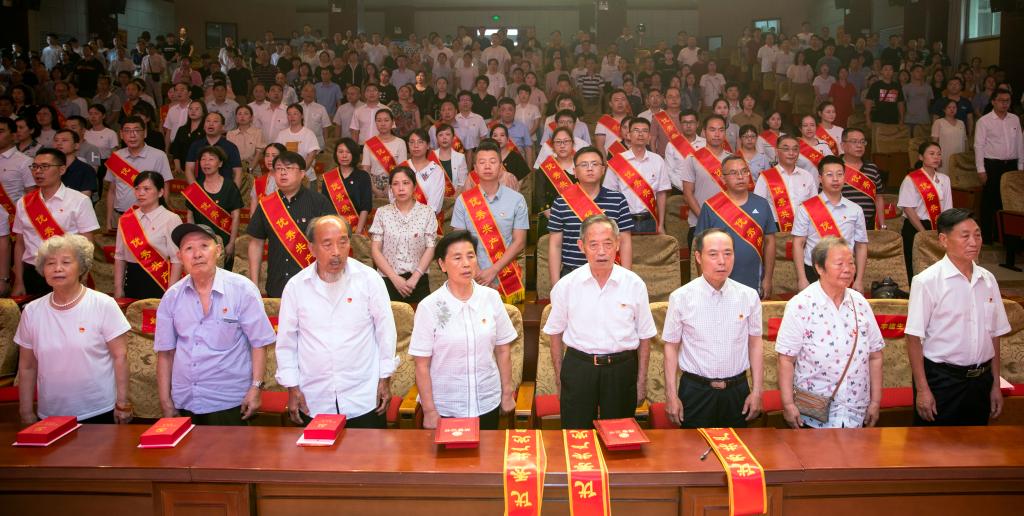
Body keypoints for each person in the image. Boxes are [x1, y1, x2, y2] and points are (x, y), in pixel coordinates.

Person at [276, 215, 397, 428]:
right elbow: (286, 343)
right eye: (327, 244)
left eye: (343, 242)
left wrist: (385, 378)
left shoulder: (369, 280)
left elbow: (386, 333)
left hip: (363, 396)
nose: (337, 252)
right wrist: (292, 387)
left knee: (370, 450)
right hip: (314, 398)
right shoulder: (296, 287)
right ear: (311, 248)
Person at [155, 223, 277, 425]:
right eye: (189, 248)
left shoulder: (242, 289)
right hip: (185, 399)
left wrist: (256, 387)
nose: (197, 254)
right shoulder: (171, 297)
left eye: (204, 246)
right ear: (179, 256)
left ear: (218, 250)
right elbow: (165, 353)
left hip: (228, 401)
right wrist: (165, 401)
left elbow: (259, 343)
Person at [544, 215, 655, 429]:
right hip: (579, 369)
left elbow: (645, 336)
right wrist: (560, 379)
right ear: (581, 246)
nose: (601, 251)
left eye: (608, 244)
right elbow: (555, 333)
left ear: (618, 244)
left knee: (619, 434)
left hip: (621, 370)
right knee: (577, 436)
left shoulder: (634, 284)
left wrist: (641, 381)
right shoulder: (566, 285)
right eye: (593, 245)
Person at [906, 208, 1010, 426]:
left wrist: (995, 385)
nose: (974, 242)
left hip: (981, 380)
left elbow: (994, 335)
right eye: (965, 236)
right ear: (943, 240)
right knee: (935, 444)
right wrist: (923, 389)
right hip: (943, 381)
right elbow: (914, 338)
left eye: (977, 235)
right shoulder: (927, 281)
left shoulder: (988, 280)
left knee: (976, 443)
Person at [16, 234, 132, 425]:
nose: (57, 268)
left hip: (99, 410)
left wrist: (122, 403)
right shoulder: (32, 311)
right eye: (50, 263)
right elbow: (27, 367)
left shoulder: (103, 304)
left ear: (81, 267)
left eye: (66, 262)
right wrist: (26, 411)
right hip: (50, 413)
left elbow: (121, 357)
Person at [410, 230, 517, 430]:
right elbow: (421, 365)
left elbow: (503, 350)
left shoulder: (491, 298)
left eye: (471, 256)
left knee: (487, 450)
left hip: (487, 401)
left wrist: (507, 392)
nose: (466, 264)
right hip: (446, 407)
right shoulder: (429, 307)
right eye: (457, 258)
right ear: (442, 264)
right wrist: (430, 411)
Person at [777, 236, 885, 428]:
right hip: (814, 415)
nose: (848, 269)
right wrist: (788, 404)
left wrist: (875, 402)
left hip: (855, 413)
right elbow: (786, 359)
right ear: (819, 268)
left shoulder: (860, 303)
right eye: (839, 264)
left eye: (851, 263)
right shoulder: (801, 305)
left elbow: (875, 355)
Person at [663, 228, 764, 428]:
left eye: (728, 253)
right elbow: (670, 347)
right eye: (713, 254)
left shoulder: (749, 296)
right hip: (695, 391)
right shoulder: (681, 297)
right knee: (693, 447)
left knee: (737, 446)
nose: (722, 261)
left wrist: (757, 391)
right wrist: (671, 395)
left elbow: (755, 344)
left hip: (737, 391)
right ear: (698, 257)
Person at [12, 149, 100, 297]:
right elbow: (20, 244)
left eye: (45, 166)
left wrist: (83, 277)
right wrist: (18, 281)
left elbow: (88, 243)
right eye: (35, 166)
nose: (38, 171)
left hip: (66, 272)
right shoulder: (24, 203)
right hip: (32, 273)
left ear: (62, 170)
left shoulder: (79, 200)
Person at [246, 151, 333, 297]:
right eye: (279, 169)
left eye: (289, 168)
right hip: (277, 284)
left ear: (302, 173)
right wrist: (254, 284)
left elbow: (332, 241)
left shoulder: (319, 202)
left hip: (313, 284)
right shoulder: (266, 205)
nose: (283, 173)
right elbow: (256, 244)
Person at [450, 140, 528, 302]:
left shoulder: (517, 200)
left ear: (500, 167)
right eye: (482, 162)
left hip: (506, 276)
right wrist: (478, 273)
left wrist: (493, 270)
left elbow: (519, 242)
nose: (487, 166)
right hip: (471, 276)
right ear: (475, 168)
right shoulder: (463, 201)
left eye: (492, 162)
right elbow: (459, 241)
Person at [547, 146, 633, 285]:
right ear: (575, 172)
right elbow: (555, 245)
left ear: (603, 169)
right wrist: (556, 285)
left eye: (595, 164)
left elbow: (624, 242)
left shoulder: (618, 200)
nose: (590, 168)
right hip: (572, 274)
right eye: (584, 165)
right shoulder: (561, 202)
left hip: (610, 274)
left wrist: (626, 280)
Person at [696, 155, 777, 296]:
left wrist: (768, 279)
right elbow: (700, 248)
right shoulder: (711, 207)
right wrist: (704, 284)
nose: (740, 177)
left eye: (744, 171)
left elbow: (770, 242)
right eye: (733, 173)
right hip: (718, 282)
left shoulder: (762, 204)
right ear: (723, 179)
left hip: (754, 279)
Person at [792, 155, 869, 291]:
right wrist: (802, 278)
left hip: (845, 271)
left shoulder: (855, 209)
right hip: (814, 271)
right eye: (829, 175)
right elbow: (798, 244)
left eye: (839, 174)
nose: (835, 179)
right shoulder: (806, 208)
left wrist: (859, 280)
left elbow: (861, 246)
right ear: (820, 178)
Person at [369, 166, 437, 303]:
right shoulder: (382, 212)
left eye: (406, 183)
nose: (401, 188)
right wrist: (394, 278)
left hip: (418, 280)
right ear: (390, 189)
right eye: (395, 184)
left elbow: (431, 248)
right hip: (387, 279)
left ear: (414, 186)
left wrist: (415, 277)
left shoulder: (427, 212)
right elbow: (375, 250)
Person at [114, 172, 182, 299]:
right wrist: (118, 288)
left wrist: (171, 293)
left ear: (160, 192)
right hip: (132, 281)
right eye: (137, 189)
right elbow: (120, 256)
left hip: (158, 283)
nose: (140, 193)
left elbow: (177, 260)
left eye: (146, 189)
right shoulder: (126, 219)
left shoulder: (171, 219)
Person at [104, 116, 174, 230]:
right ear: (121, 134)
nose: (132, 135)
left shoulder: (159, 156)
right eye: (127, 131)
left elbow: (165, 187)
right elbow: (112, 191)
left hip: (149, 217)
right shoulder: (116, 157)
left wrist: (162, 216)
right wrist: (108, 221)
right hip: (120, 216)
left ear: (145, 133)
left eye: (136, 130)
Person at [603, 117, 670, 234]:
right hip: (624, 219)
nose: (640, 134)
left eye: (645, 131)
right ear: (628, 135)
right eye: (636, 130)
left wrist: (661, 224)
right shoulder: (617, 161)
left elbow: (661, 194)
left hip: (650, 220)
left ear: (649, 136)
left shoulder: (658, 160)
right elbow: (609, 194)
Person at [899, 141, 953, 282]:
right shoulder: (911, 179)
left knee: (937, 265)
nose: (936, 157)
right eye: (932, 154)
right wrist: (922, 232)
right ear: (921, 157)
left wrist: (945, 231)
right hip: (915, 227)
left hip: (938, 228)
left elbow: (948, 208)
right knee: (915, 267)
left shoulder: (945, 179)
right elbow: (908, 208)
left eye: (939, 154)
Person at [973, 89, 1022, 246]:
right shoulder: (984, 121)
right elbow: (978, 146)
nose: (1004, 104)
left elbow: (1020, 143)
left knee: (1009, 202)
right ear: (993, 101)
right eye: (1001, 100)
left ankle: (1008, 238)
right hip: (992, 165)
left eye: (1007, 100)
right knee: (990, 201)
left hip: (1011, 164)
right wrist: (981, 170)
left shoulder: (1014, 119)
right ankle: (987, 236)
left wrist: (1021, 166)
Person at [185, 146, 243, 271]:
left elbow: (236, 216)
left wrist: (232, 243)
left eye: (211, 159)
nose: (206, 163)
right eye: (203, 159)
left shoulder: (230, 186)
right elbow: (190, 216)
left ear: (220, 163)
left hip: (224, 242)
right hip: (200, 244)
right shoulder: (195, 188)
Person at [678, 115, 730, 244]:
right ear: (704, 132)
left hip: (729, 222)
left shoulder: (732, 160)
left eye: (721, 130)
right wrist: (704, 218)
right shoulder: (692, 159)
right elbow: (687, 194)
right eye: (712, 130)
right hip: (699, 223)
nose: (717, 134)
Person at [754, 135, 818, 233]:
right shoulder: (766, 177)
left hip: (804, 227)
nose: (791, 153)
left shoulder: (807, 176)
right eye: (786, 149)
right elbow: (758, 205)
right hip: (775, 228)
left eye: (795, 149)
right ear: (776, 151)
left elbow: (814, 205)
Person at [321, 138, 372, 235]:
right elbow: (324, 207)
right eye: (340, 152)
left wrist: (358, 231)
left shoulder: (363, 176)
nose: (344, 155)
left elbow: (366, 206)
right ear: (336, 154)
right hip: (333, 228)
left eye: (348, 152)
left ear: (354, 154)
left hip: (356, 228)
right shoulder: (328, 177)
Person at [840, 128, 885, 229]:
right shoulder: (834, 166)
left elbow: (879, 197)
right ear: (842, 145)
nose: (859, 145)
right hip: (841, 226)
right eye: (854, 141)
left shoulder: (872, 168)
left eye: (862, 142)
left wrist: (882, 225)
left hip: (868, 226)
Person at [185, 112, 243, 186]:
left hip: (225, 189)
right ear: (203, 126)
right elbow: (189, 169)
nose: (211, 124)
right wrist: (196, 190)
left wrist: (233, 191)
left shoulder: (231, 147)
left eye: (215, 121)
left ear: (222, 127)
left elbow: (238, 173)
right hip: (201, 189)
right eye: (208, 121)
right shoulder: (195, 145)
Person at [360, 108, 407, 197]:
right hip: (372, 185)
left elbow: (402, 169)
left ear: (392, 122)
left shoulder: (400, 143)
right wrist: (374, 189)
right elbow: (366, 170)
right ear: (375, 123)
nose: (382, 124)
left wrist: (390, 186)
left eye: (386, 120)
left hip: (395, 184)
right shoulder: (369, 144)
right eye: (379, 120)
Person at [274, 103, 321, 182]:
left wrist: (299, 173)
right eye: (289, 114)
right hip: (286, 177)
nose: (292, 116)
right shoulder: (282, 134)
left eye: (295, 114)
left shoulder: (309, 134)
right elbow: (276, 153)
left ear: (302, 116)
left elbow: (311, 156)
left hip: (305, 177)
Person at [863, 63, 905, 148]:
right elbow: (868, 101)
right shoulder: (876, 85)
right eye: (886, 69)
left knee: (891, 145)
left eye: (890, 69)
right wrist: (868, 119)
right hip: (878, 119)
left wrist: (901, 119)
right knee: (877, 145)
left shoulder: (897, 86)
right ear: (881, 71)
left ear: (893, 72)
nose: (888, 72)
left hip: (893, 120)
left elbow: (900, 103)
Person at [51, 129, 98, 198]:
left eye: (64, 140)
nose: (59, 143)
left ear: (76, 146)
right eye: (56, 140)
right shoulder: (47, 168)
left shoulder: (86, 170)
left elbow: (84, 199)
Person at [931, 99, 967, 177]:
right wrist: (936, 159)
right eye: (949, 107)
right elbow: (934, 143)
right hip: (944, 157)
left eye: (954, 107)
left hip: (959, 157)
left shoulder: (961, 123)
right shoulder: (938, 122)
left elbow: (965, 141)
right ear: (944, 109)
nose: (952, 109)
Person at [169, 100, 207, 173]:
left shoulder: (206, 131)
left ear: (203, 112)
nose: (193, 111)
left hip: (200, 169)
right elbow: (176, 149)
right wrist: (177, 166)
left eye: (197, 109)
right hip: (181, 169)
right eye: (190, 109)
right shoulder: (182, 129)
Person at [226, 105, 265, 173]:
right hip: (234, 169)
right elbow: (229, 155)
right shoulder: (230, 134)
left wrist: (250, 170)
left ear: (251, 118)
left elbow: (258, 154)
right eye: (239, 114)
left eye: (246, 113)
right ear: (236, 118)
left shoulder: (258, 132)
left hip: (253, 169)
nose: (242, 116)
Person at [434, 123, 469, 189]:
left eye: (448, 134)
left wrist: (455, 195)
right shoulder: (432, 156)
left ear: (453, 138)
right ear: (437, 139)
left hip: (455, 194)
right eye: (440, 135)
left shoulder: (460, 157)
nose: (444, 138)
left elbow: (462, 183)